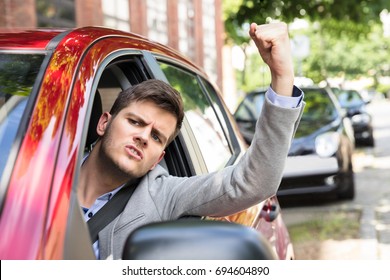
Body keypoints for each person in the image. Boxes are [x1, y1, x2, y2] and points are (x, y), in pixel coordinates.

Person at [78, 22, 304, 259]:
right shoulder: (43, 174)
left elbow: (253, 183)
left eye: (157, 137)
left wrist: (282, 75)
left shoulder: (163, 195)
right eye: (135, 122)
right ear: (104, 123)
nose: (143, 137)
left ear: (158, 159)